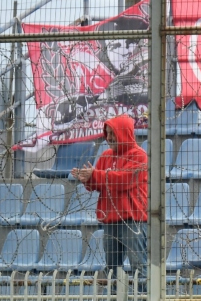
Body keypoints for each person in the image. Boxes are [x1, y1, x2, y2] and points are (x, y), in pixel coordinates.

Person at [72, 114, 148, 281]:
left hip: (132, 221)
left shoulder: (139, 155)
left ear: (125, 133)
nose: (110, 138)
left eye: (113, 133)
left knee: (139, 267)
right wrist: (88, 179)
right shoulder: (106, 155)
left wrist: (96, 176)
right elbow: (100, 183)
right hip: (110, 221)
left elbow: (123, 180)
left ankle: (143, 297)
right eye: (108, 133)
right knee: (112, 270)